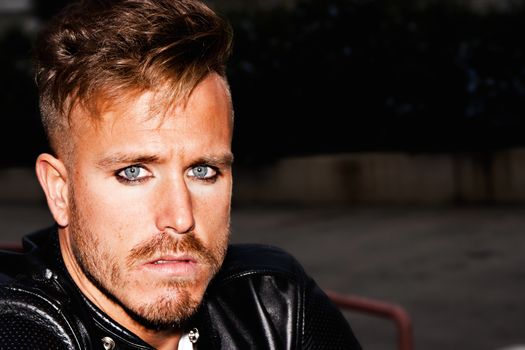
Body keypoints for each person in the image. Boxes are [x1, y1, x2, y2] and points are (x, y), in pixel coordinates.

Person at [0, 0, 361, 349]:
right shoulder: (22, 326)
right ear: (59, 190)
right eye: (133, 172)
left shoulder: (276, 307)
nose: (180, 217)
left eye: (203, 171)